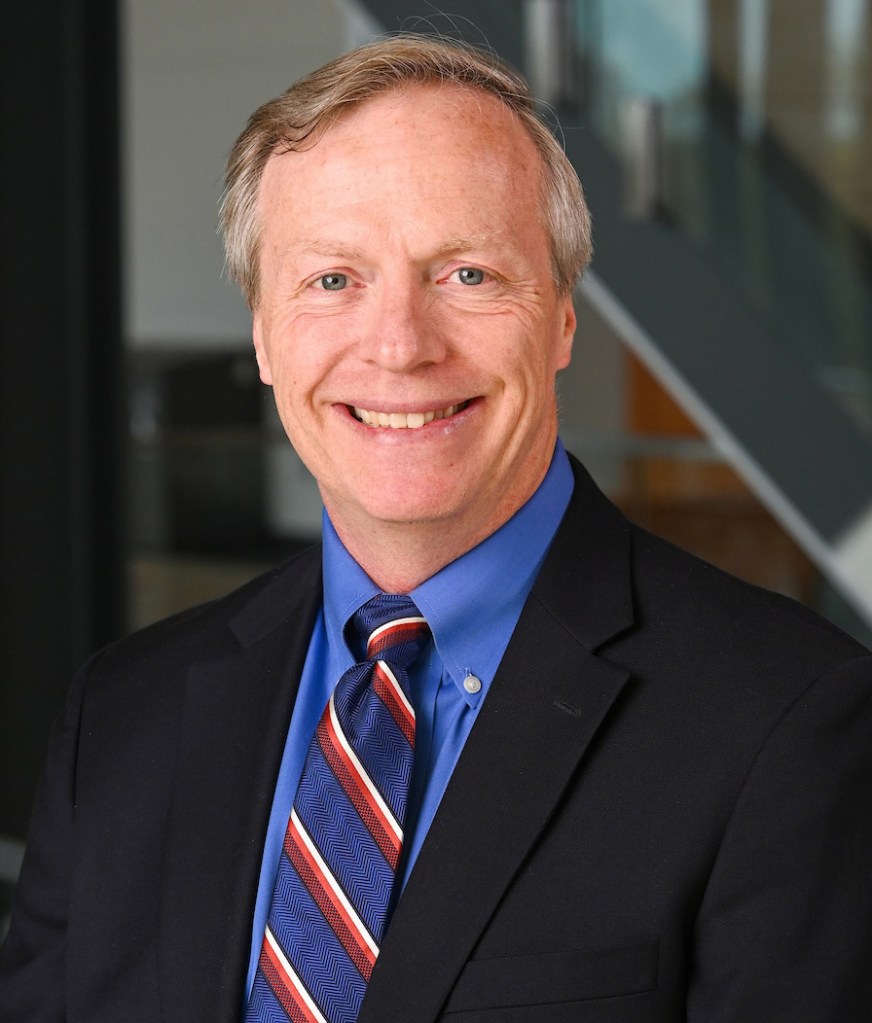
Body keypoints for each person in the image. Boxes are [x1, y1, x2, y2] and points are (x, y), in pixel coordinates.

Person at [2, 33, 872, 1023]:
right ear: (261, 334)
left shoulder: (787, 726)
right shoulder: (122, 715)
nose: (399, 346)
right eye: (332, 280)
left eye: (465, 274)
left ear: (560, 320)